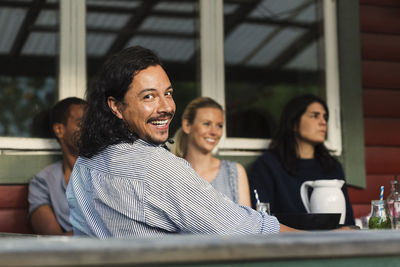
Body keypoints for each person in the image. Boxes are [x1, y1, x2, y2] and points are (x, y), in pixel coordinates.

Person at [66, 46, 298, 238]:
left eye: (167, 93)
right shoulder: (157, 167)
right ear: (116, 106)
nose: (167, 107)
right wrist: (327, 236)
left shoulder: (84, 164)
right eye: (149, 96)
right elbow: (246, 230)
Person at [249, 94, 355, 225]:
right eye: (315, 116)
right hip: (284, 242)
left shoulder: (332, 166)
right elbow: (261, 219)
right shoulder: (268, 166)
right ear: (294, 123)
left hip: (332, 241)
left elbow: (347, 219)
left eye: (325, 117)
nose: (323, 122)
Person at [172, 97, 251, 206]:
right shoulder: (172, 172)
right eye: (206, 124)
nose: (214, 132)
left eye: (219, 126)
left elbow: (248, 222)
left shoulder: (234, 172)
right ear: (187, 126)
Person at [28, 97, 87, 235]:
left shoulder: (108, 170)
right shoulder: (43, 182)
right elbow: (54, 242)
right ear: (59, 129)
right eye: (81, 123)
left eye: (92, 124)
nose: (90, 129)